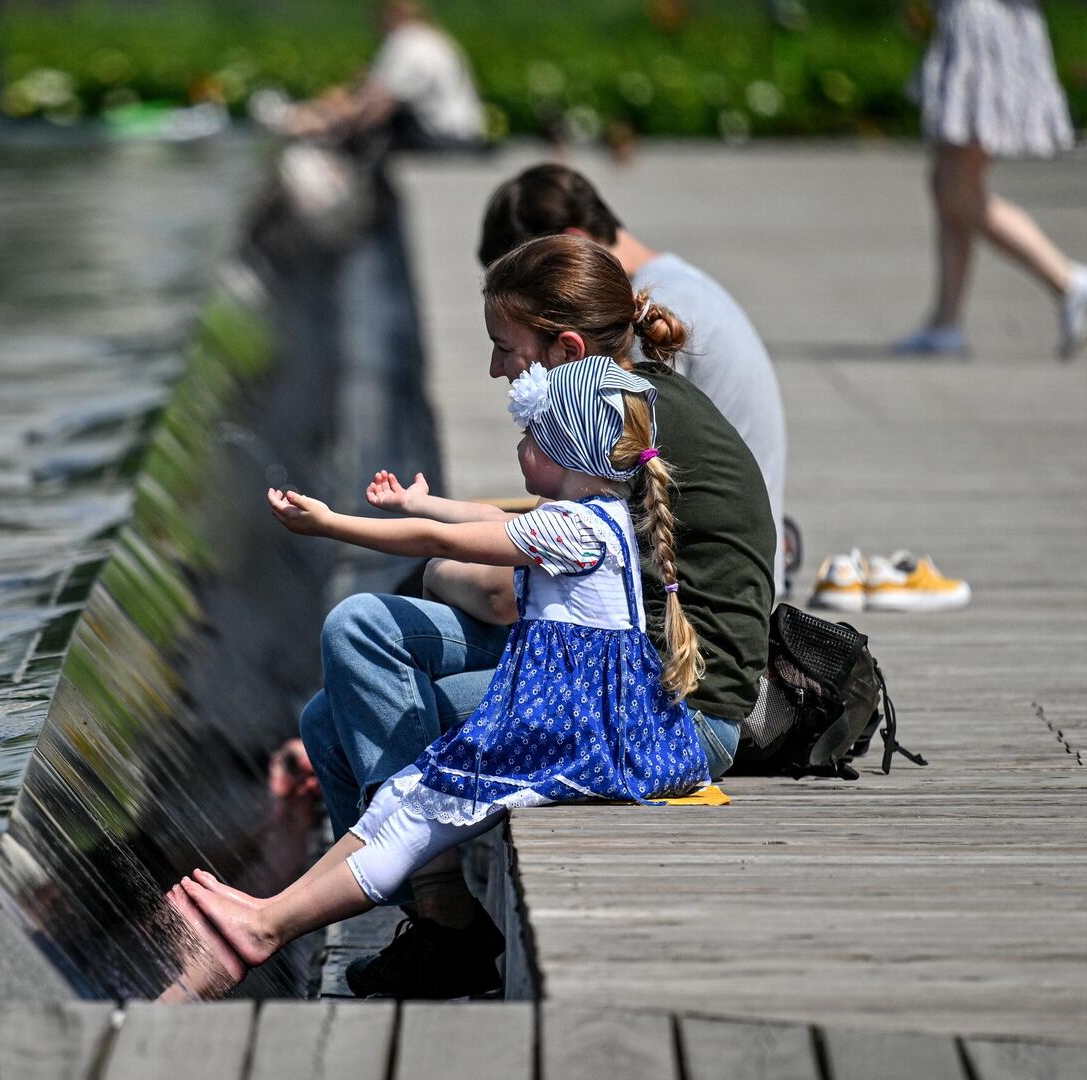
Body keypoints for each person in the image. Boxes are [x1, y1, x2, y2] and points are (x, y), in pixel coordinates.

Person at [295, 235, 774, 999]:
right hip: (595, 664)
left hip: (659, 708)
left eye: (504, 348)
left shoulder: (626, 420)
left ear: (568, 347)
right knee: (356, 637)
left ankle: (442, 917)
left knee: (334, 719)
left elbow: (496, 591)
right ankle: (436, 906)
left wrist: (436, 564)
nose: (494, 370)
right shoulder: (622, 403)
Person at [174, 353, 713, 992]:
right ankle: (266, 914)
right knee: (406, 794)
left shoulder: (575, 530)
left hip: (579, 728)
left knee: (419, 809)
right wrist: (418, 502)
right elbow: (489, 521)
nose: (519, 449)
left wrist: (331, 525)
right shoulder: (596, 516)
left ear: (565, 450)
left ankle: (265, 927)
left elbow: (447, 544)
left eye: (529, 437)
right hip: (571, 710)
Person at [479, 163, 788, 593]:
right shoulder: (662, 293)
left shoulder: (649, 326)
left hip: (700, 583)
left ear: (574, 244)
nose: (496, 369)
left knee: (467, 577)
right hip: (715, 550)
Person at [895, 0, 1087, 359]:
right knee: (947, 181)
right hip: (978, 25)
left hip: (983, 30)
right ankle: (945, 323)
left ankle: (1068, 280)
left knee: (958, 190)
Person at [283, 0, 485, 152]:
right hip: (463, 133)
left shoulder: (407, 42)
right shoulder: (430, 38)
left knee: (368, 141)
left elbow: (377, 104)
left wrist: (323, 123)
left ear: (388, 13)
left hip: (442, 138)